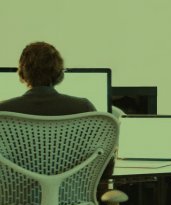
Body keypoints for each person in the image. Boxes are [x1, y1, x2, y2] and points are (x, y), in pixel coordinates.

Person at [0, 41, 113, 180]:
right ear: (60, 74)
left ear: (22, 74)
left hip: (16, 193)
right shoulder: (83, 108)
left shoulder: (3, 112)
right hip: (71, 193)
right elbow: (104, 166)